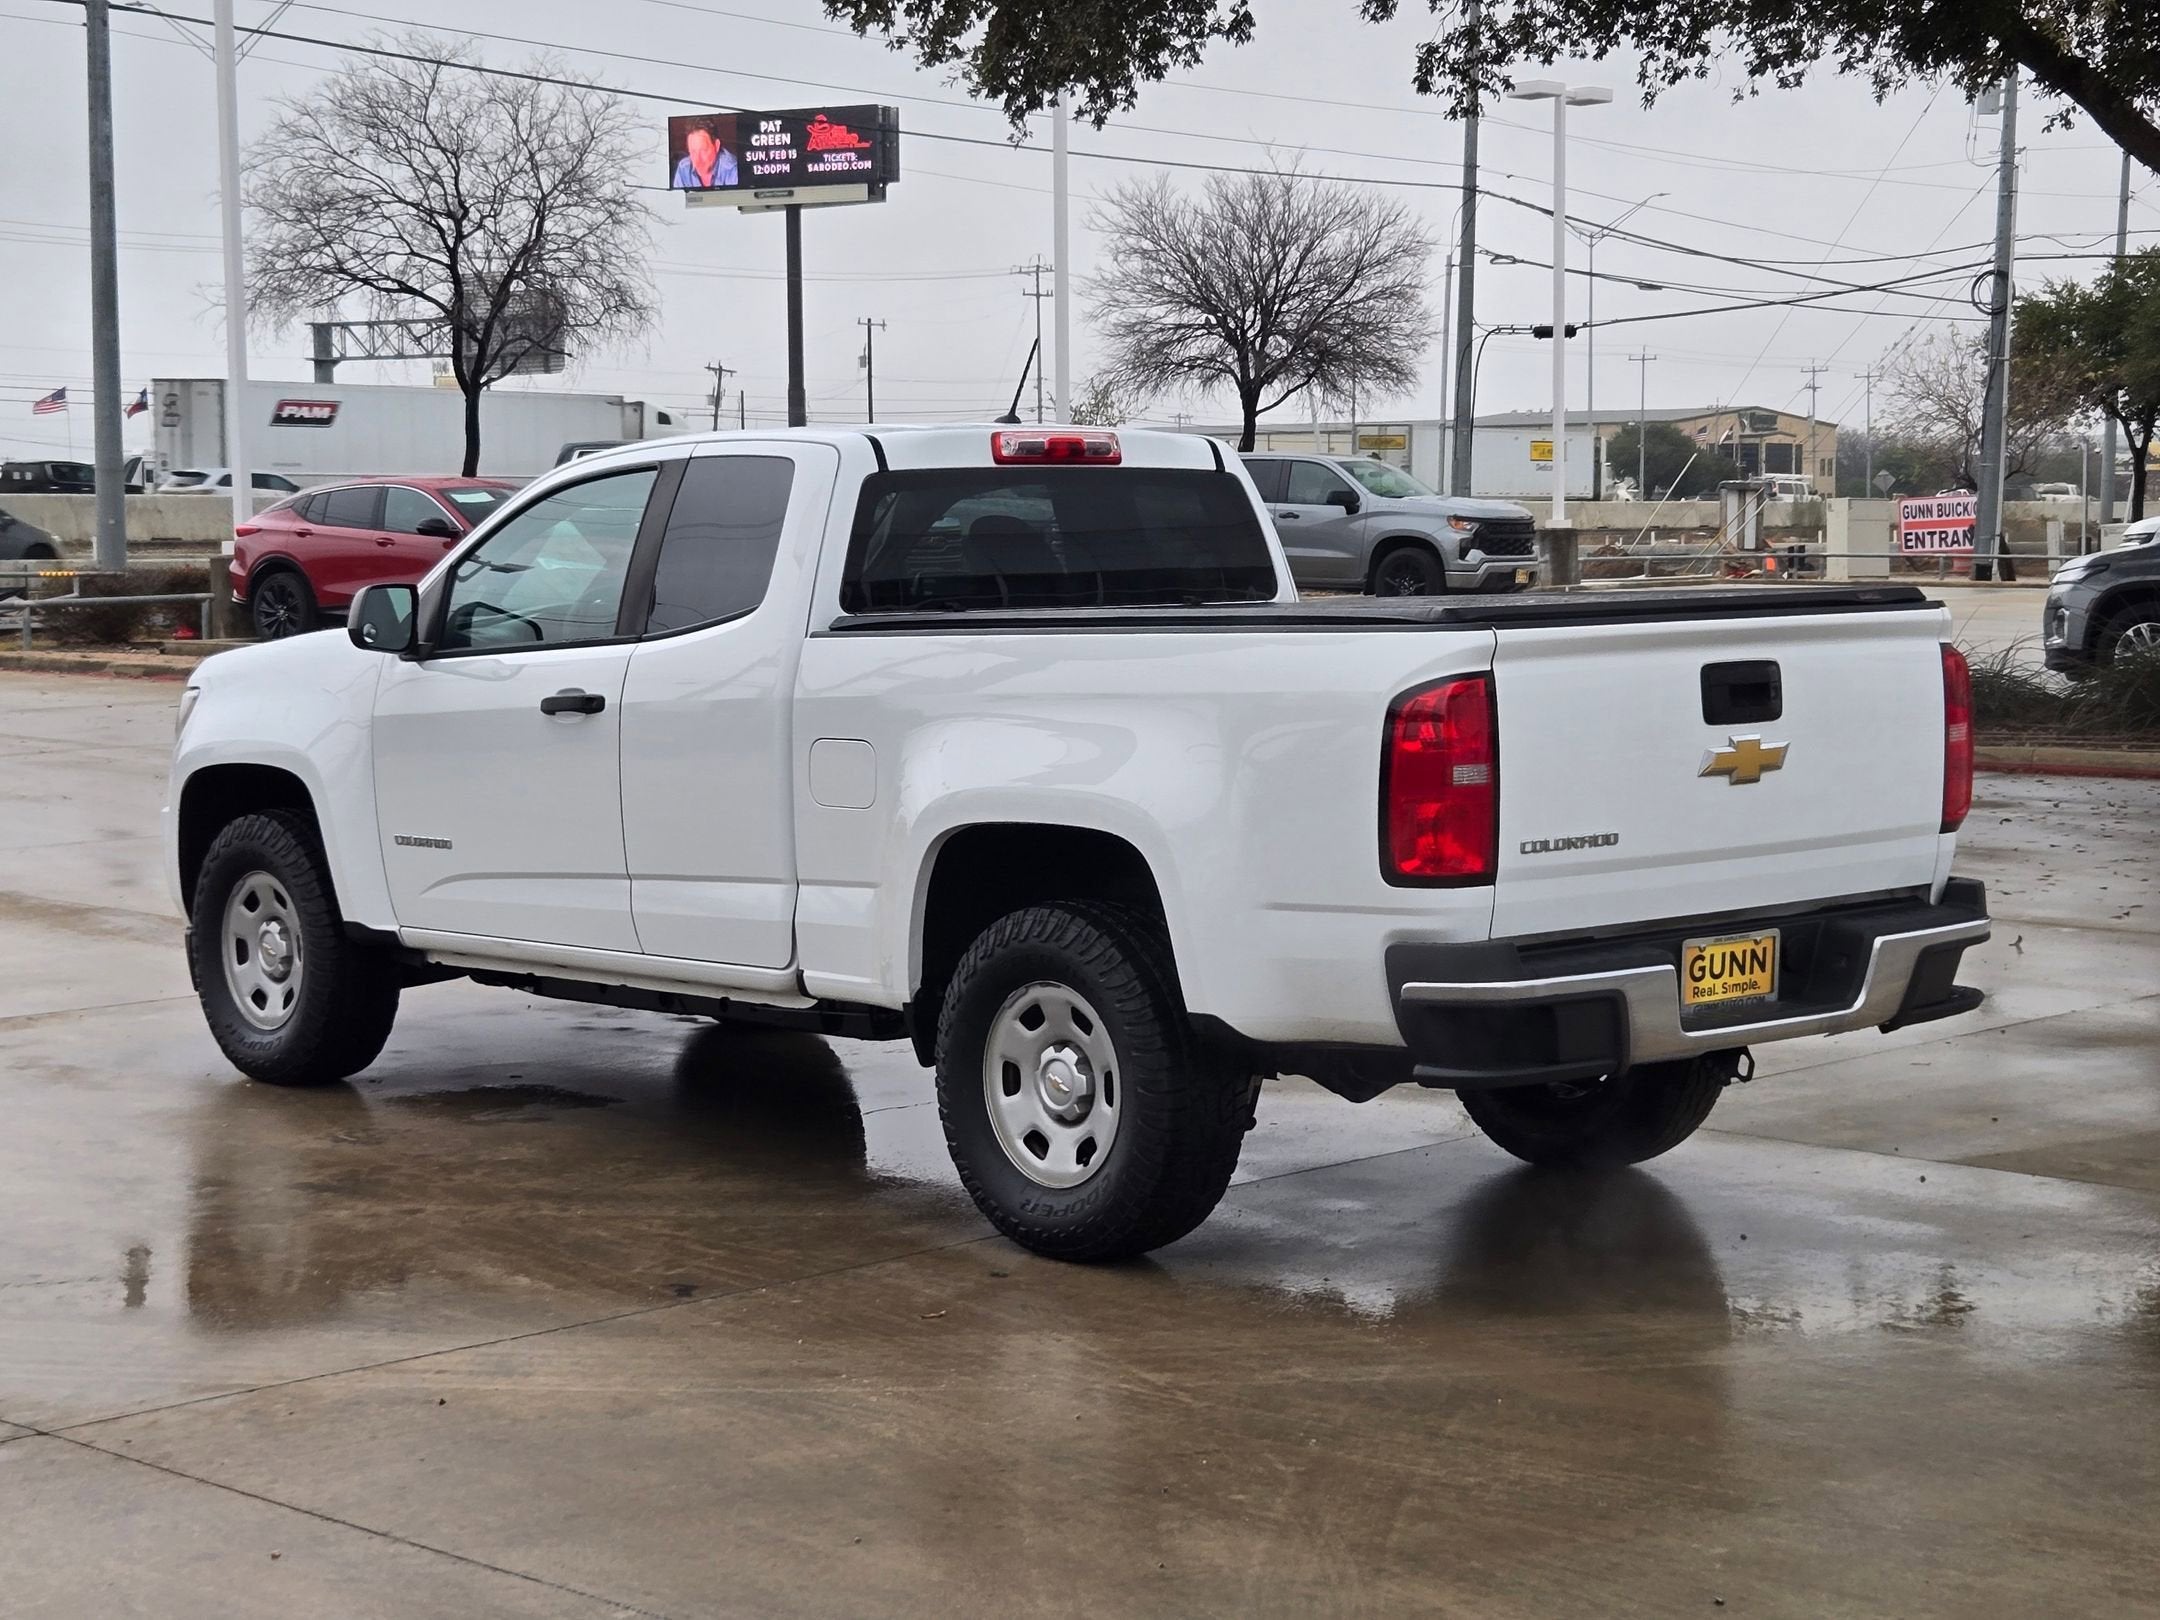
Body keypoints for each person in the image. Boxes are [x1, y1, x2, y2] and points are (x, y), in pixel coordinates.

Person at [673, 126, 738, 189]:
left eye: (703, 150)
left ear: (716, 145)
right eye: (693, 151)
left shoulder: (732, 169)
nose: (697, 159)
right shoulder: (683, 168)